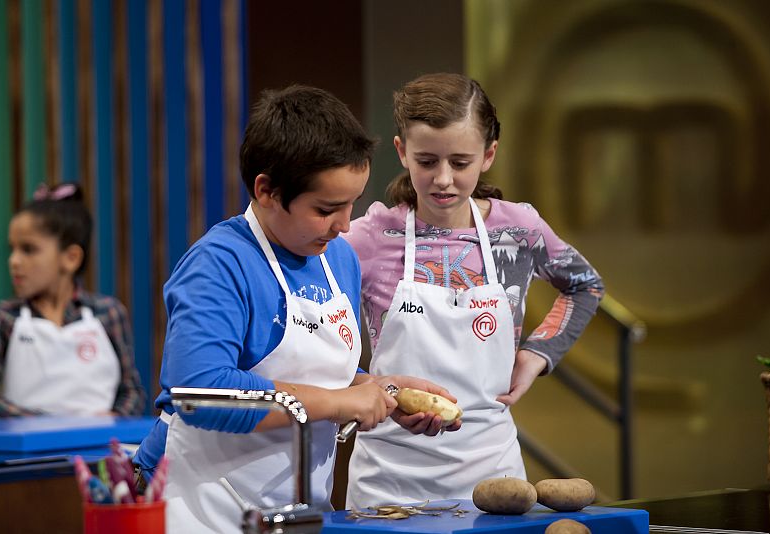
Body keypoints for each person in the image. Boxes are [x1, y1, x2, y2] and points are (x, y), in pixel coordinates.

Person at [132, 85, 456, 533]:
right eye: (326, 208)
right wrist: (341, 401)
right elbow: (200, 394)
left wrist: (379, 390)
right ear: (266, 190)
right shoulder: (219, 264)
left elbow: (310, 378)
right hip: (201, 514)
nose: (344, 225)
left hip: (293, 515)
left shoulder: (335, 257)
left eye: (351, 205)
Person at [345, 72, 605, 508]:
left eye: (460, 163)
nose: (443, 179)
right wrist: (365, 385)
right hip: (388, 482)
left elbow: (584, 286)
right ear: (401, 153)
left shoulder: (518, 230)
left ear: (488, 155)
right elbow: (313, 326)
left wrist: (538, 355)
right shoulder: (368, 238)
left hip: (493, 476)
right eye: (427, 161)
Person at [0, 183, 146, 418]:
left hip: (99, 450)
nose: (14, 261)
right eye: (11, 249)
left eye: (28, 249)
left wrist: (115, 417)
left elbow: (132, 392)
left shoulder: (109, 313)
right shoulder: (3, 317)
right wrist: (41, 424)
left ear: (71, 258)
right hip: (28, 454)